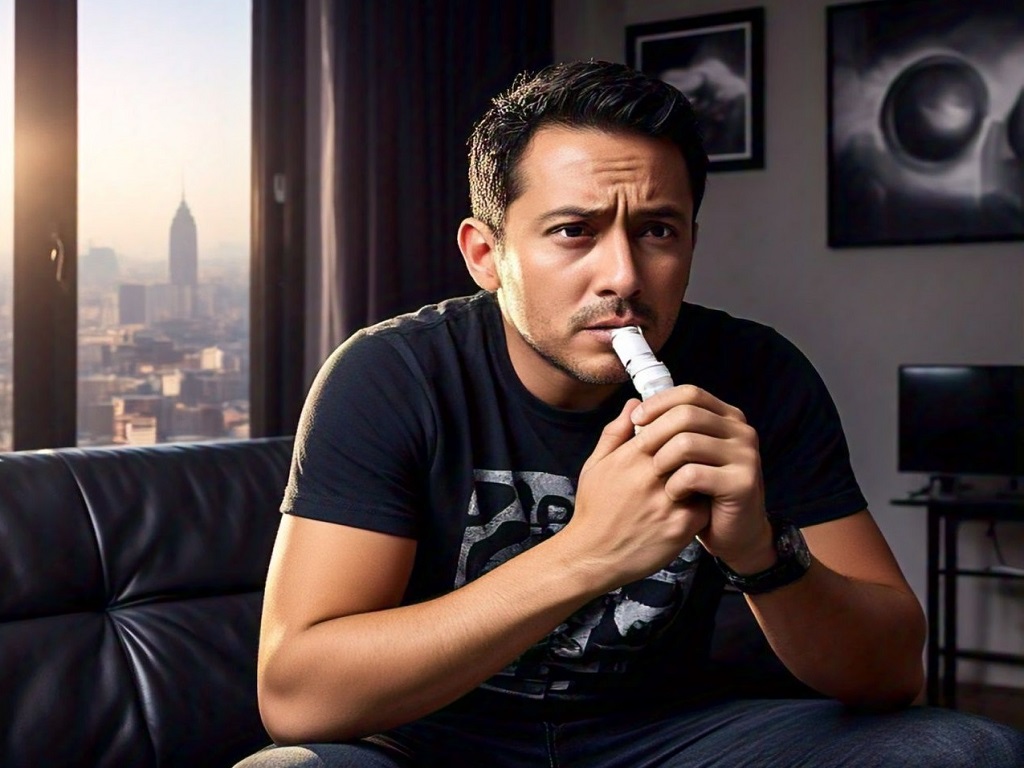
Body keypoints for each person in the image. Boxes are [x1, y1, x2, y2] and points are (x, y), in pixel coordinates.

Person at [235, 61, 1024, 767]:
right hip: (433, 735)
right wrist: (586, 554)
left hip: (663, 734)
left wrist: (760, 553)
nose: (623, 275)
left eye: (656, 231)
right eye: (573, 232)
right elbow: (298, 699)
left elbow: (890, 675)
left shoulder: (758, 373)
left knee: (967, 752)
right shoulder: (391, 375)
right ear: (486, 255)